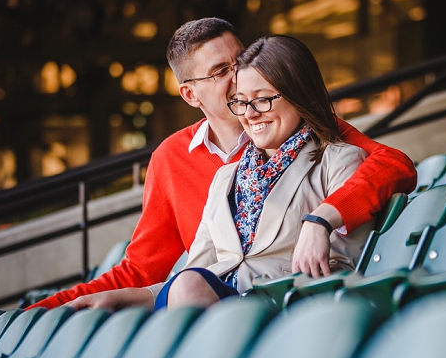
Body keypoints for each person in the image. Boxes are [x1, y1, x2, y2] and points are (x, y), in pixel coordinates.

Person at [33, 18, 415, 310]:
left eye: (240, 61)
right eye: (220, 72)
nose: (237, 78)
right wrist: (42, 312)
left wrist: (322, 218)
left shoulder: (314, 132)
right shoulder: (177, 160)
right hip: (212, 303)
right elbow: (143, 269)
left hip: (288, 305)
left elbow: (392, 165)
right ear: (189, 94)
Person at [147, 35, 370, 309]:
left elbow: (343, 267)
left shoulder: (340, 161)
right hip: (216, 309)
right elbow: (195, 270)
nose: (250, 114)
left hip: (282, 308)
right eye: (240, 102)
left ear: (297, 93)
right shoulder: (225, 178)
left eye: (262, 100)